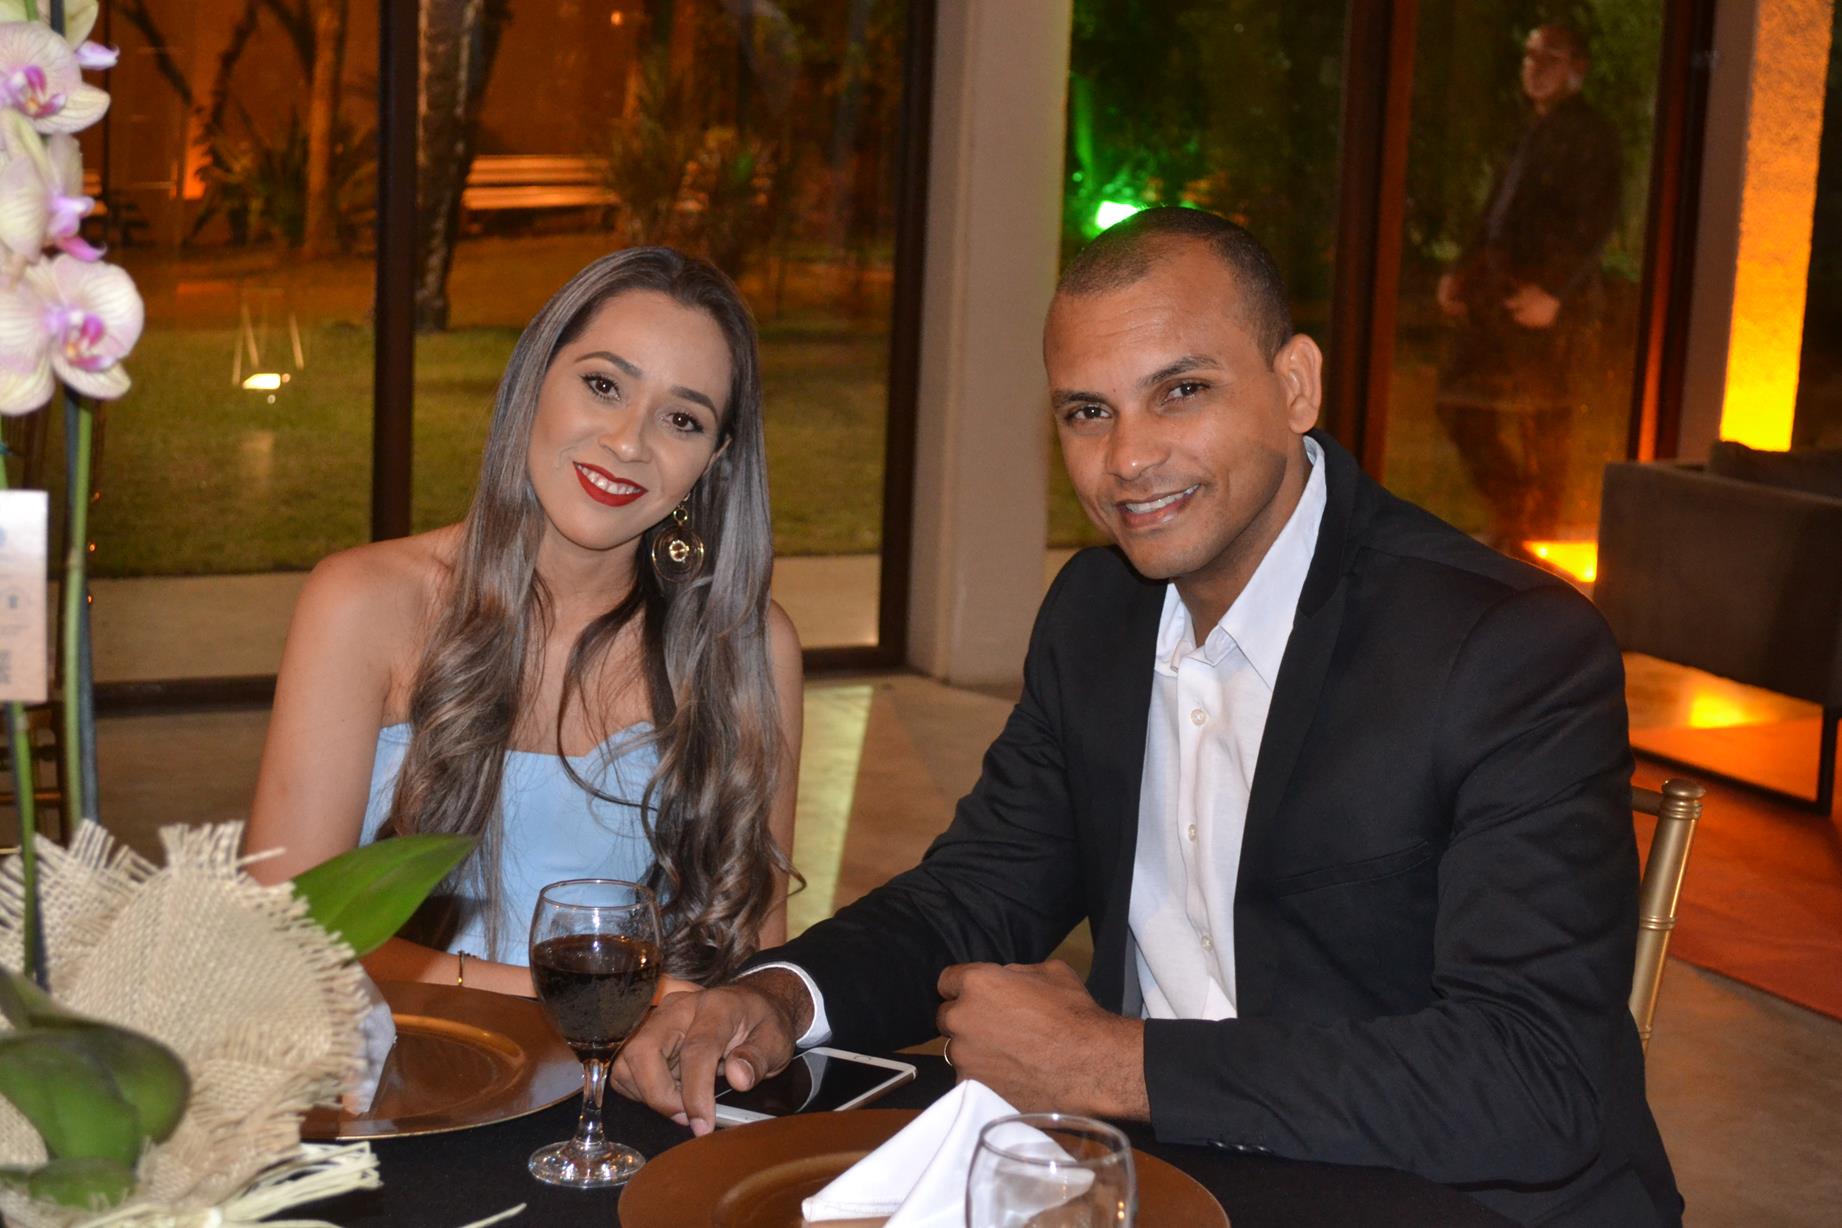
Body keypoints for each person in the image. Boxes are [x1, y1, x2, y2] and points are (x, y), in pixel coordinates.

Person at [612, 208, 1681, 1226]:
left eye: (1181, 391)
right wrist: (779, 997)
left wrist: (1111, 1063)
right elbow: (978, 893)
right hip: (1167, 1178)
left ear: (1295, 385)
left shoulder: (1504, 647)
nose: (1127, 458)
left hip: (1448, 1200)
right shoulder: (1098, 614)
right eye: (1089, 411)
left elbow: (1534, 1077)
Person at [246, 247, 803, 999]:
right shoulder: (362, 604)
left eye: (682, 419)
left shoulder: (747, 647)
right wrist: (588, 999)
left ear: (715, 459)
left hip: (647, 1069)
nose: (629, 442)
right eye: (603, 385)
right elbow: (283, 940)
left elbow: (753, 968)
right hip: (400, 1060)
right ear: (533, 379)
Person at [1435, 23, 1622, 551]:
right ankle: (1516, 511)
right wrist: (1462, 272)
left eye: (1550, 58)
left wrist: (1555, 293)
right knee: (1459, 401)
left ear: (1577, 69)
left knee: (1545, 419)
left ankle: (1534, 538)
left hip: (1548, 301)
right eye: (1530, 56)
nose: (1535, 68)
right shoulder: (1526, 129)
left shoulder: (1591, 136)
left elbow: (1597, 222)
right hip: (1498, 291)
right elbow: (1497, 212)